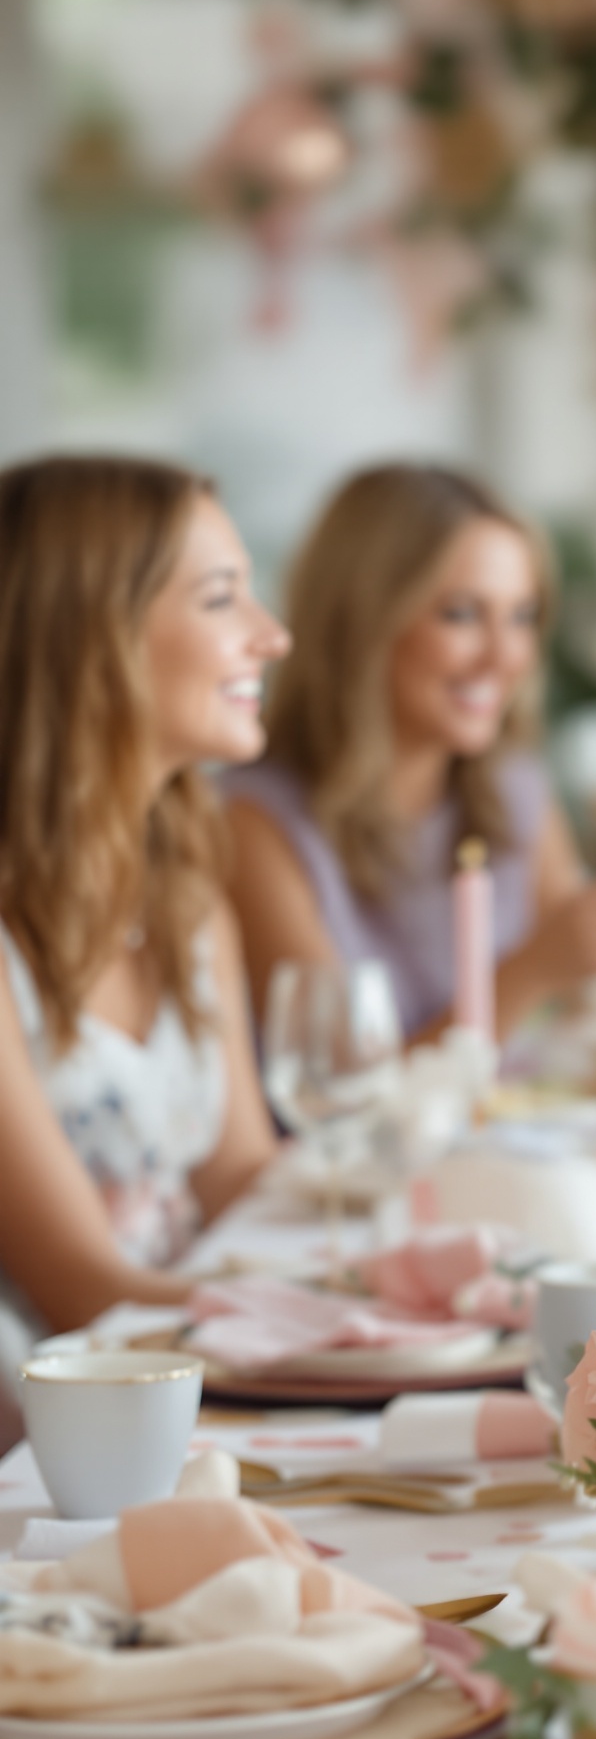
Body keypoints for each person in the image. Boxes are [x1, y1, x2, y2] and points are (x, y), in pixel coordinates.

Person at [225, 463, 596, 1043]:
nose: (503, 656)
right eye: (461, 614)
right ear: (362, 622)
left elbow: (588, 995)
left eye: (522, 615)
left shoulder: (511, 785)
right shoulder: (255, 821)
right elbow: (348, 1089)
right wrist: (531, 971)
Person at [0, 455, 287, 1356]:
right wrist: (350, 1329)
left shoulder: (187, 900)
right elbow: (85, 1295)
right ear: (92, 636)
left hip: (183, 1386)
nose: (270, 636)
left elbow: (245, 1181)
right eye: (219, 598)